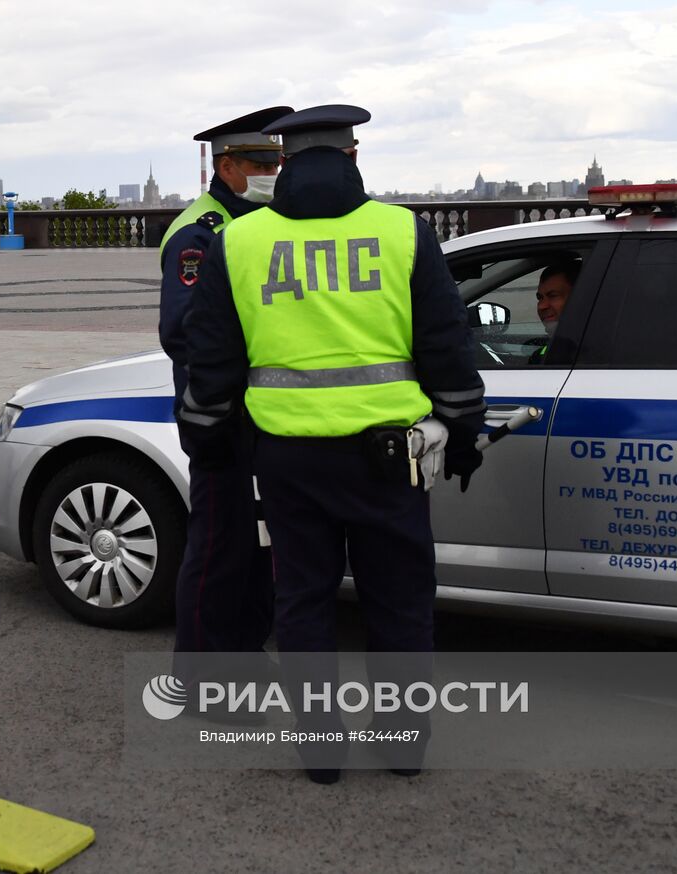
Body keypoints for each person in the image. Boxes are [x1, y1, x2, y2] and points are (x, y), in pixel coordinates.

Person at [178, 104, 487, 781]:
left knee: (304, 599)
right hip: (391, 458)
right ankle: (403, 744)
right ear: (352, 157)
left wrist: (209, 440)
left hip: (287, 460)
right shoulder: (403, 232)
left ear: (284, 163)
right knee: (400, 600)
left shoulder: (241, 242)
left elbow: (213, 363)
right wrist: (463, 432)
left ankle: (321, 748)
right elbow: (446, 347)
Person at [160, 106, 291, 656]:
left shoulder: (262, 223)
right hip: (219, 416)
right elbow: (184, 331)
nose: (272, 172)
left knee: (260, 546)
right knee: (217, 547)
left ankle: (245, 650)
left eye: (276, 160)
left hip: (265, 414)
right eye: (260, 162)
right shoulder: (200, 231)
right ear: (227, 165)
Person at [529, 259, 581, 364]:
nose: (541, 306)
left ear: (578, 298)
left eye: (553, 296)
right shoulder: (545, 354)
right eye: (540, 298)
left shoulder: (588, 354)